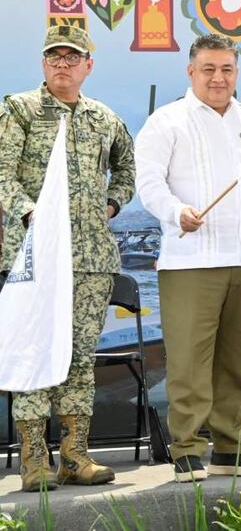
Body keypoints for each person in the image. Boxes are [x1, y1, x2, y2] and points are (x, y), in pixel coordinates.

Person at [0, 26, 135, 491]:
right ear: (43, 63)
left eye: (72, 57)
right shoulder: (20, 110)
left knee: (79, 358)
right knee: (34, 352)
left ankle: (75, 456)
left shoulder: (104, 118)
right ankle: (34, 459)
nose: (62, 64)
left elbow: (127, 167)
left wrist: (112, 204)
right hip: (34, 258)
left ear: (87, 66)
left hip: (92, 258)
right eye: (54, 56)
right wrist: (30, 212)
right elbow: (2, 173)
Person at [135, 34, 241, 482]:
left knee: (234, 362)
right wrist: (177, 212)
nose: (218, 78)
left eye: (226, 69)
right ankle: (187, 450)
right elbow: (148, 184)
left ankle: (230, 449)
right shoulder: (166, 121)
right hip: (190, 261)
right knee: (190, 362)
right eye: (209, 69)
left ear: (237, 73)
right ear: (191, 71)